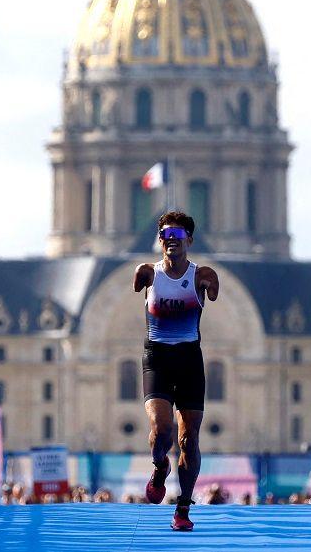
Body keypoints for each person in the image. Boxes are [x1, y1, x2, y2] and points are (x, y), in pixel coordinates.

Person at [132, 210, 219, 532]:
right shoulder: (146, 273)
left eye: (179, 235)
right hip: (156, 357)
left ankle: (183, 506)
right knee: (161, 430)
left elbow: (213, 293)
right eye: (166, 234)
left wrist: (209, 287)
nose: (172, 240)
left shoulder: (202, 275)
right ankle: (159, 467)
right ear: (159, 240)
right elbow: (136, 287)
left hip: (189, 360)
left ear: (189, 241)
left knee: (188, 437)